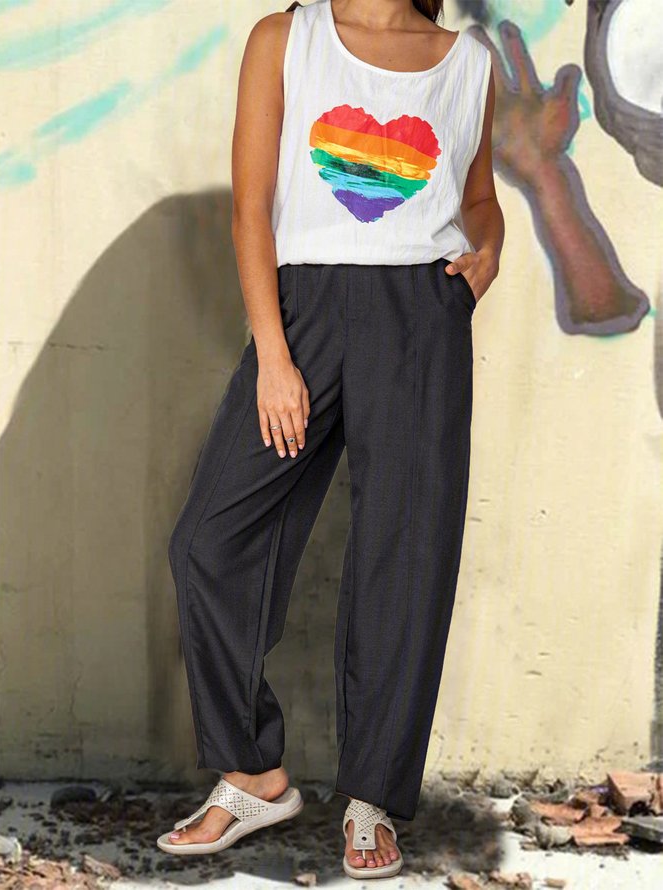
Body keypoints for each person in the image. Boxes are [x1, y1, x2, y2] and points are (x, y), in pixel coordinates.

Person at [157, 0, 503, 879]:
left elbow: (478, 200)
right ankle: (254, 774)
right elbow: (251, 209)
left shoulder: (467, 61)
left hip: (420, 317)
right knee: (209, 541)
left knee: (404, 557)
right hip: (302, 312)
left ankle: (370, 799)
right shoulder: (286, 39)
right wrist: (274, 356)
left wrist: (488, 252)